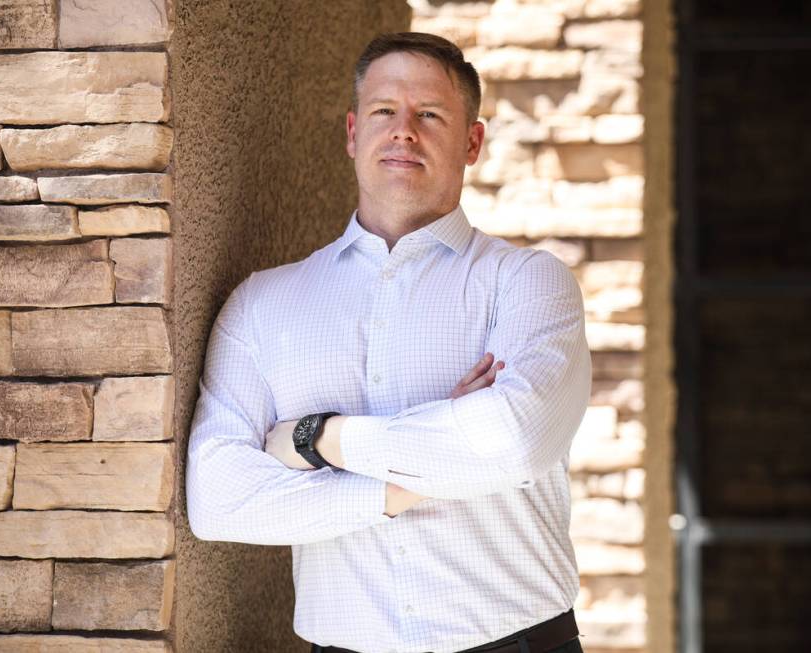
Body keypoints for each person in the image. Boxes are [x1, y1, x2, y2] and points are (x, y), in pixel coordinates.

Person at [186, 32, 591, 653]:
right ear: (353, 133)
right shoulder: (265, 304)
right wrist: (405, 483)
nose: (404, 131)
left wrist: (319, 438)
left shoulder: (527, 283)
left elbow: (514, 441)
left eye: (429, 114)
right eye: (383, 111)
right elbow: (219, 501)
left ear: (472, 142)